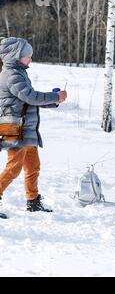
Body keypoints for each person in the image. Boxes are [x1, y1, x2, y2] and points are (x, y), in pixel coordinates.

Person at [0, 37, 67, 218]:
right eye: (27, 56)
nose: (30, 59)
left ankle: (33, 200)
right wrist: (54, 97)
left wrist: (54, 101)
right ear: (16, 56)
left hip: (26, 129)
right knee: (14, 168)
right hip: (16, 129)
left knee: (33, 165)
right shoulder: (11, 75)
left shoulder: (20, 73)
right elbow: (31, 97)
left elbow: (30, 101)